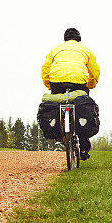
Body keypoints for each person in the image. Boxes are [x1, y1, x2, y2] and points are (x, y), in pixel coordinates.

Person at [41, 28, 100, 159]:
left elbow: (45, 69)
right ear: (79, 39)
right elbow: (94, 71)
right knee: (82, 109)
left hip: (57, 81)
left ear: (65, 38)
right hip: (78, 82)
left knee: (57, 104)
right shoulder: (85, 50)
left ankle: (61, 134)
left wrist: (50, 85)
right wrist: (91, 84)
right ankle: (84, 149)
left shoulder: (56, 49)